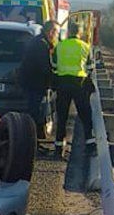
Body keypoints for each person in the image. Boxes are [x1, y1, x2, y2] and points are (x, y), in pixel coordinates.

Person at [51, 21, 94, 159]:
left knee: (62, 116)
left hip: (63, 83)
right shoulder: (85, 47)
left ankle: (58, 149)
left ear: (68, 32)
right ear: (80, 33)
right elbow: (90, 67)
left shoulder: (60, 46)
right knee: (85, 115)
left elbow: (54, 65)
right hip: (79, 83)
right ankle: (90, 145)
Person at [19, 21, 58, 143]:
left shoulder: (37, 41)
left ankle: (30, 138)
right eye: (56, 32)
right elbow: (44, 67)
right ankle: (29, 140)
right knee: (34, 112)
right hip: (35, 83)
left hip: (30, 82)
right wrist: (54, 81)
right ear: (51, 32)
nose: (57, 35)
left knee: (33, 111)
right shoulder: (42, 45)